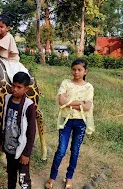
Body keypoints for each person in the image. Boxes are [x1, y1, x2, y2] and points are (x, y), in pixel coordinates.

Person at [45, 59, 95, 189]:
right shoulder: (66, 83)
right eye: (74, 69)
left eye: (79, 70)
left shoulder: (88, 87)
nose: (76, 72)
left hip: (80, 123)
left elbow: (88, 106)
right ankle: (52, 177)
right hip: (65, 121)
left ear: (85, 71)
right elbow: (61, 101)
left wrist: (70, 102)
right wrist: (79, 103)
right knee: (61, 150)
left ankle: (69, 178)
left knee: (75, 151)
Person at [0, 72, 36, 189]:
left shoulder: (29, 105)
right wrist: (1, 141)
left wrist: (26, 153)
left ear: (26, 89)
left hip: (21, 150)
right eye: (13, 85)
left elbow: (31, 132)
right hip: (9, 147)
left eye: (19, 87)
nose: (14, 89)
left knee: (23, 180)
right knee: (11, 176)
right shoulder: (7, 99)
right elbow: (3, 121)